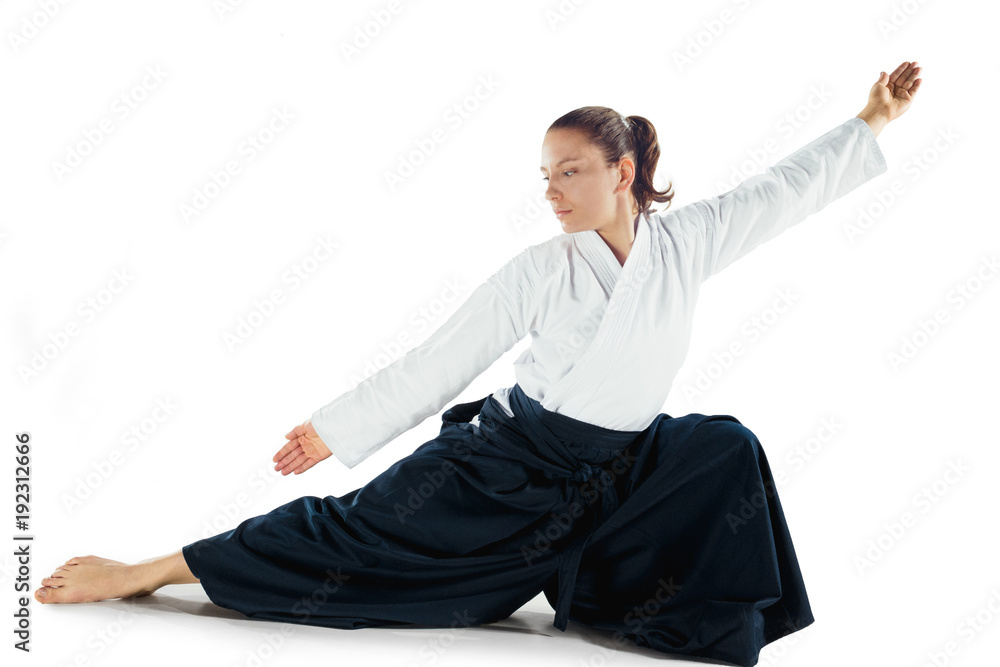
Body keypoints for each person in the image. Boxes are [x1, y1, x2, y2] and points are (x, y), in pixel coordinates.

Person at [35, 62, 922, 667]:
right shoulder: (540, 270)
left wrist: (872, 118)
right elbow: (441, 360)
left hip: (622, 472)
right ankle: (151, 568)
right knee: (352, 536)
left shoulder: (687, 241)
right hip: (509, 465)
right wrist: (332, 427)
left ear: (623, 170)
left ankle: (631, 594)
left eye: (570, 172)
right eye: (544, 176)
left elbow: (783, 190)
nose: (553, 191)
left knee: (725, 447)